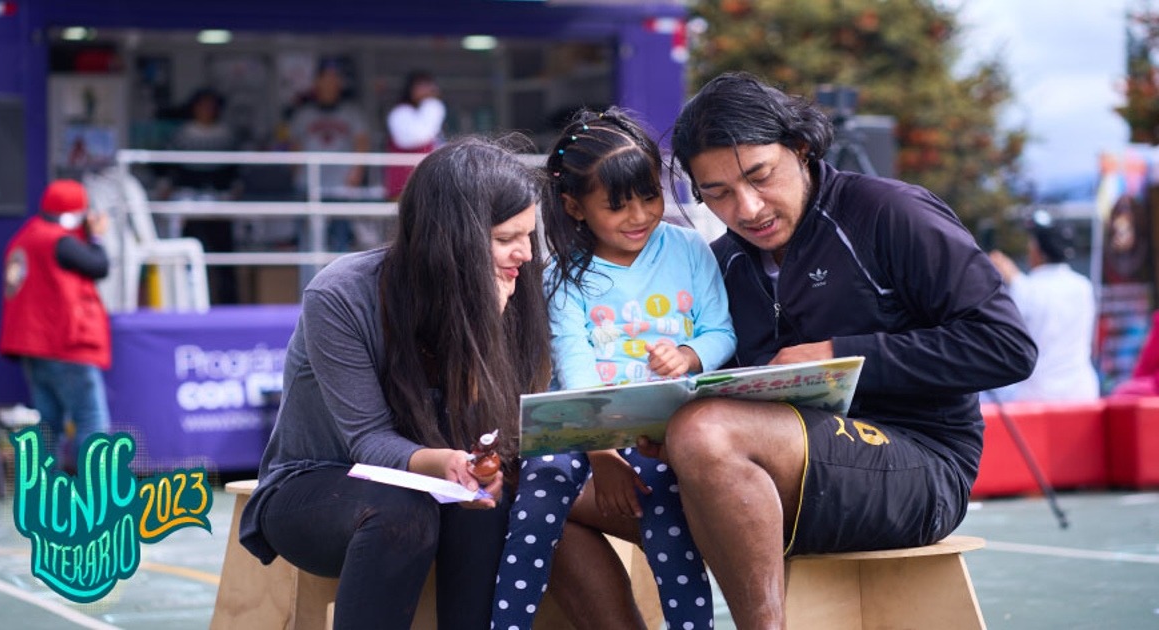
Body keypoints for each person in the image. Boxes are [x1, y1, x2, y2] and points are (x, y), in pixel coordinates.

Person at [551, 72, 1038, 628]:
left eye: (760, 176)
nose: (749, 207)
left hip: (919, 466)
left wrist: (839, 354)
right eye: (718, 194)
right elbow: (722, 391)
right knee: (548, 492)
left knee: (707, 431)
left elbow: (1007, 346)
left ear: (801, 149)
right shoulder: (722, 261)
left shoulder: (890, 213)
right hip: (768, 476)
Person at [237, 136, 552, 629]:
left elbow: (492, 434)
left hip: (442, 482)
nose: (526, 254)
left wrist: (482, 336)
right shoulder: (342, 295)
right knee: (404, 511)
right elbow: (367, 442)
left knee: (485, 507)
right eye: (508, 237)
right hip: (321, 480)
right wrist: (444, 462)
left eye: (529, 235)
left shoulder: (514, 285)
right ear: (453, 238)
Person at [492, 108, 735, 630]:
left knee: (668, 515)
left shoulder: (690, 248)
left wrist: (690, 356)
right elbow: (574, 371)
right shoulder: (560, 275)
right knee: (538, 494)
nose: (640, 215)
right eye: (617, 205)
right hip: (582, 427)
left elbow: (721, 332)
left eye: (649, 195)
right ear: (574, 207)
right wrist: (601, 452)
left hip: (659, 428)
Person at [0, 179, 112, 471]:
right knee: (91, 419)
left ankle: (46, 494)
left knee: (48, 424)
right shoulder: (60, 241)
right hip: (65, 346)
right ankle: (97, 494)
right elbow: (99, 265)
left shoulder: (24, 237)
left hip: (35, 351)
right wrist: (96, 237)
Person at [988, 209, 1100, 401]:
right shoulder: (1084, 286)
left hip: (1036, 394)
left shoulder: (1025, 289)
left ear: (1037, 250)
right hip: (1082, 391)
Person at [162, 87, 242, 304]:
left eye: (211, 105)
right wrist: (169, 190)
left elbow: (236, 171)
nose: (206, 109)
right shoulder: (182, 134)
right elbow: (170, 169)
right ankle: (189, 303)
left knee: (224, 257)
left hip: (219, 202)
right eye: (202, 105)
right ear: (194, 107)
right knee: (191, 255)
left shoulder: (226, 134)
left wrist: (233, 191)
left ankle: (228, 303)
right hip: (189, 202)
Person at [288, 59, 373, 252]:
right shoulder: (304, 114)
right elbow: (295, 148)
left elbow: (362, 143)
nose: (329, 83)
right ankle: (309, 282)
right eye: (325, 78)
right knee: (308, 243)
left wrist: (356, 173)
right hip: (309, 184)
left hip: (340, 185)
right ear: (316, 82)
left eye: (334, 78)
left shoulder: (352, 113)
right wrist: (296, 175)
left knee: (340, 241)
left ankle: (337, 283)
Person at [384, 70, 446, 201]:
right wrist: (432, 105)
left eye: (429, 86)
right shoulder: (400, 113)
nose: (427, 90)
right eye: (421, 86)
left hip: (429, 182)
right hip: (404, 184)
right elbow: (418, 137)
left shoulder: (428, 114)